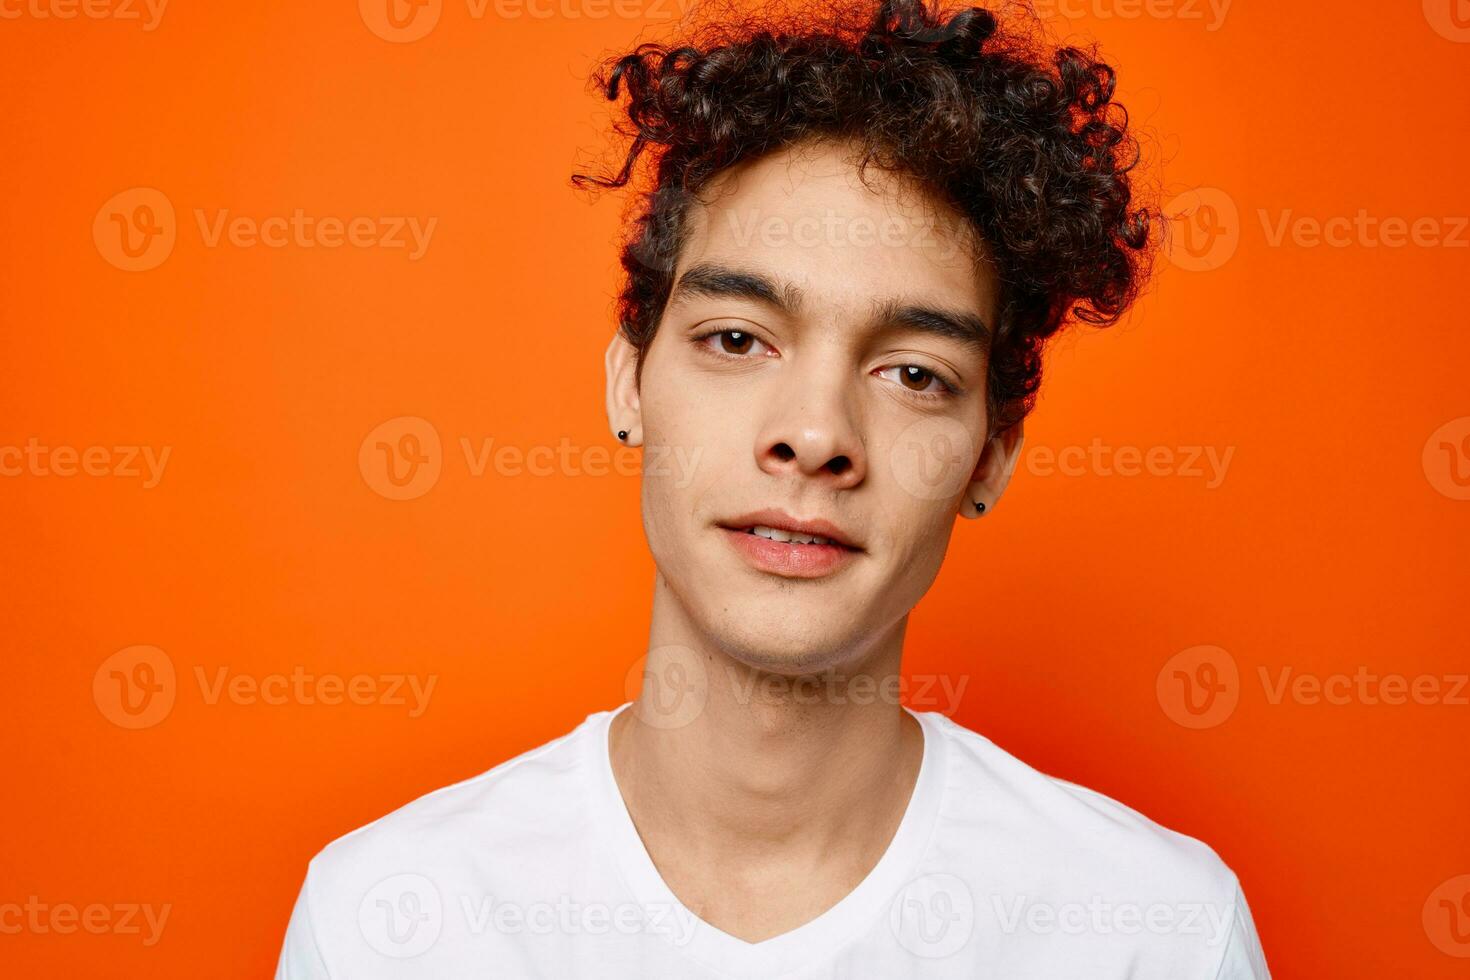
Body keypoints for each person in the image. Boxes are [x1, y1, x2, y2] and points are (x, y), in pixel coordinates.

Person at [275, 0, 1271, 975]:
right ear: (629, 381)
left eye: (914, 372)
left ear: (990, 454)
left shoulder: (1160, 933)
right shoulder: (389, 921)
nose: (814, 435)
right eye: (737, 340)